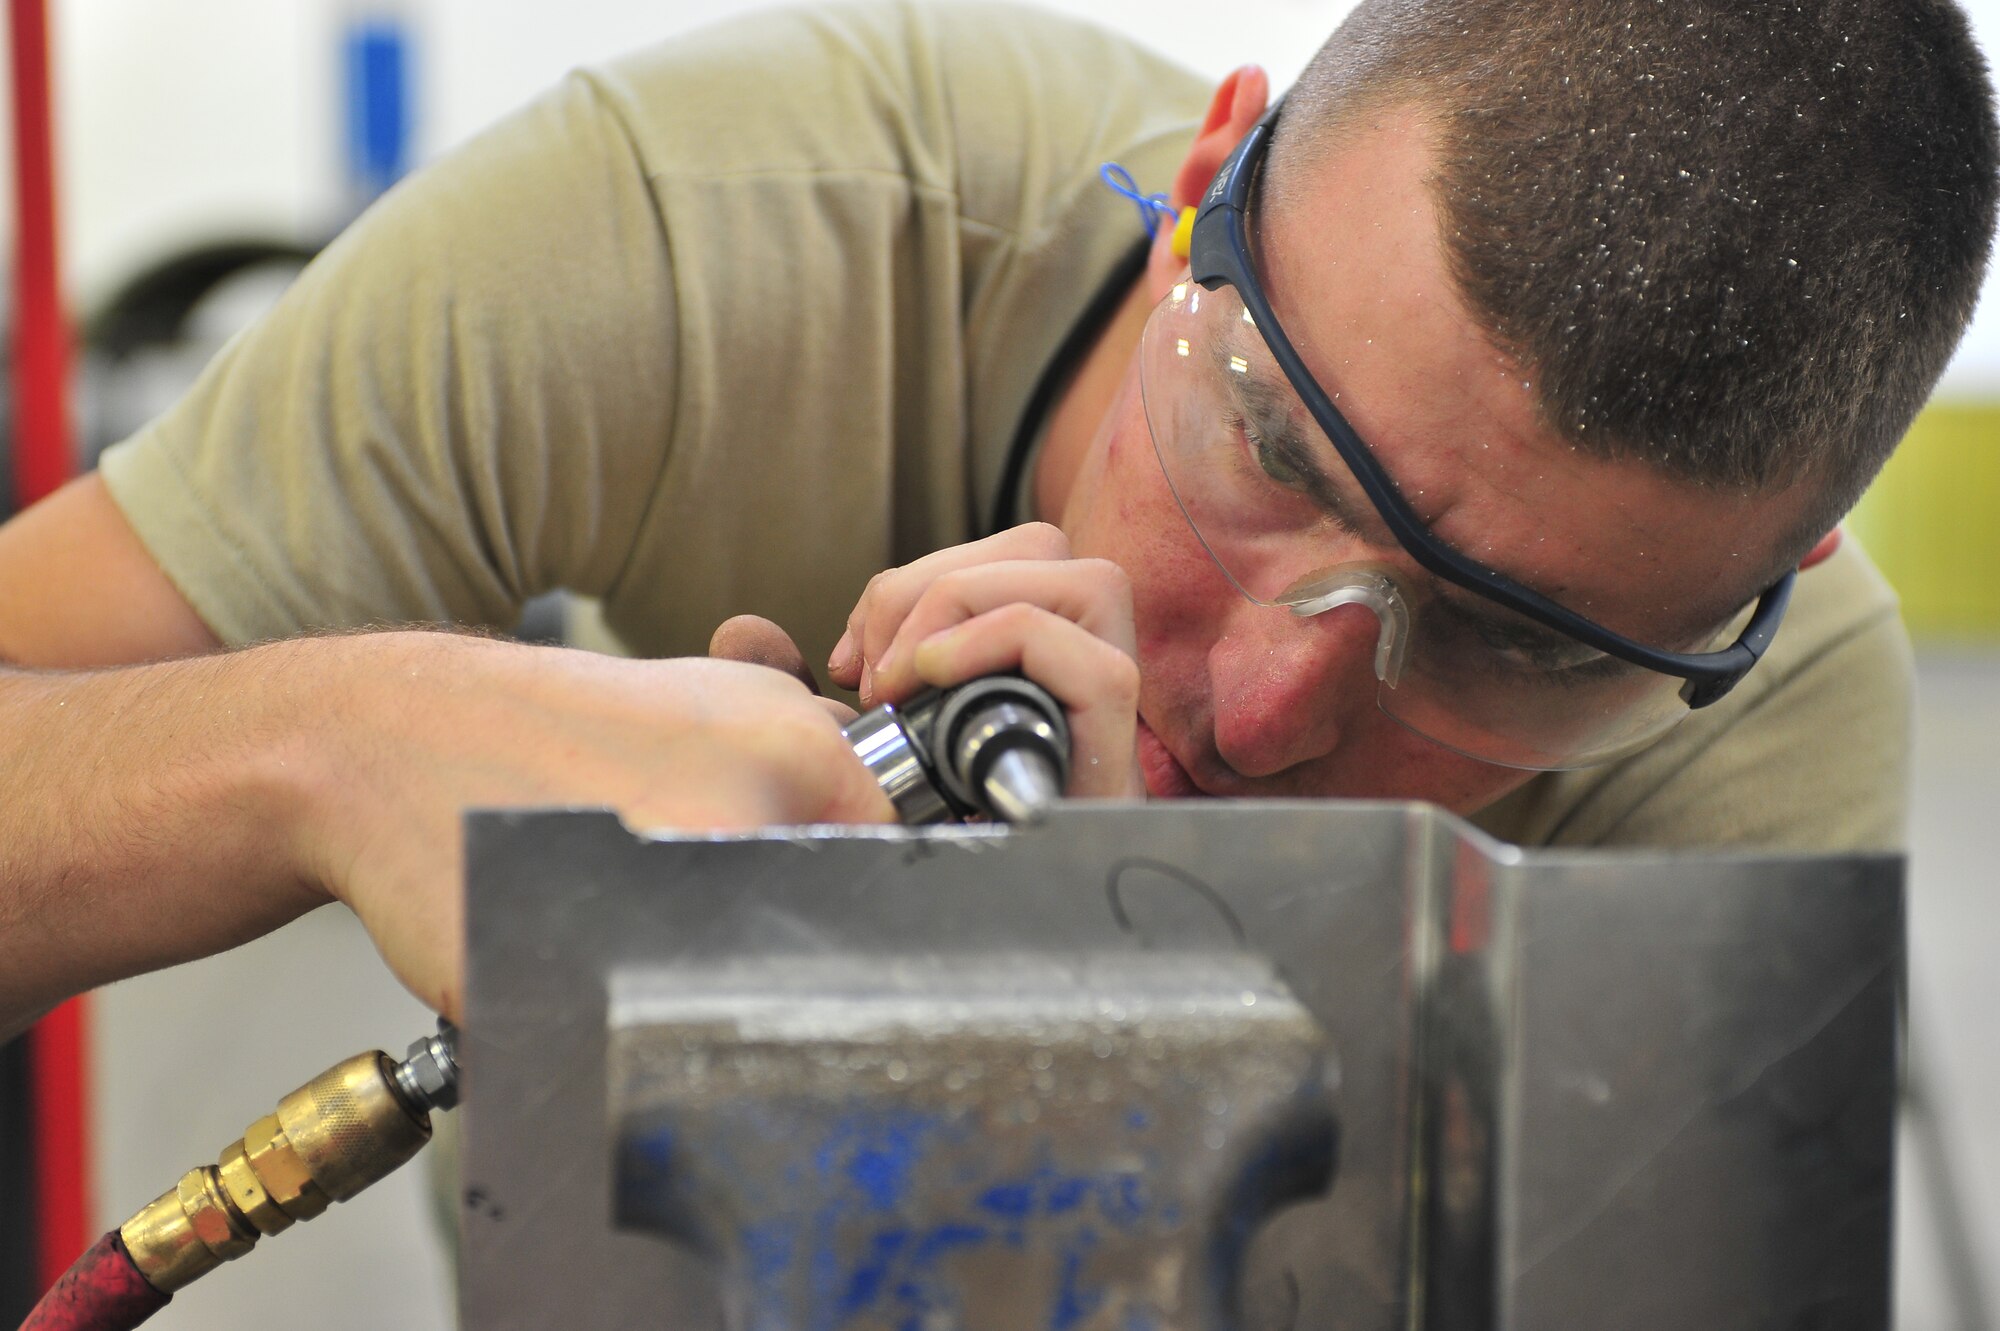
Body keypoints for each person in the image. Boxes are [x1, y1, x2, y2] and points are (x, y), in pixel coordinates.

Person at [0, 0, 1992, 1037]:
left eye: (1519, 641)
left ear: (1774, 587)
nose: (1270, 716)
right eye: (1274, 455)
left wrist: (1149, 1005)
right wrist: (319, 745)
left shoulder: (1758, 724)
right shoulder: (720, 234)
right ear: (1205, 185)